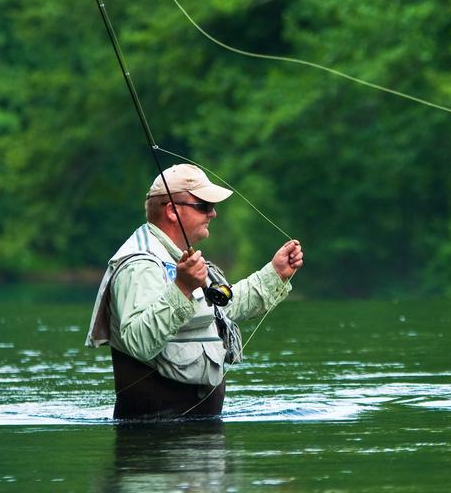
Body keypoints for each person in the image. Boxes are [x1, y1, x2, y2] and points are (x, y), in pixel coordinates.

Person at [86, 164, 303, 419]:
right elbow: (138, 342)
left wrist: (275, 274)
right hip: (151, 443)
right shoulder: (139, 266)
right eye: (204, 206)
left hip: (198, 436)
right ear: (172, 211)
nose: (213, 214)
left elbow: (226, 306)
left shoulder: (183, 259)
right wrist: (182, 288)